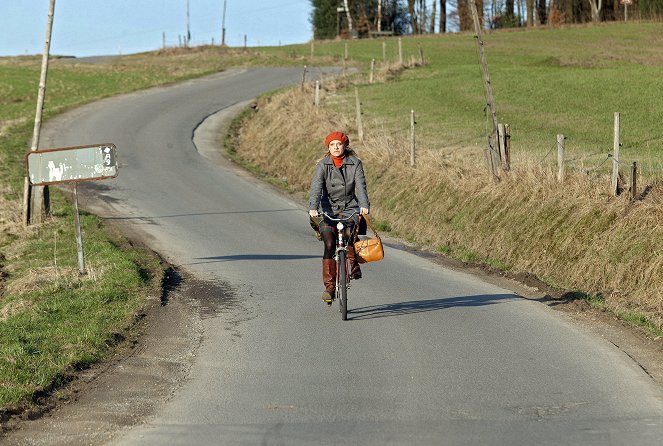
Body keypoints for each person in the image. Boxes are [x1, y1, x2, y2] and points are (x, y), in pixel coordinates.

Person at [309, 131, 370, 303]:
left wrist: (364, 206)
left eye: (339, 144)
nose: (336, 147)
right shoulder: (323, 165)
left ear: (345, 146)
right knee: (329, 243)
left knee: (350, 235)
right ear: (328, 148)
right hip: (328, 210)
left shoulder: (355, 164)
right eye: (332, 145)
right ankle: (329, 287)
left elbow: (361, 186)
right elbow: (316, 188)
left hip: (350, 207)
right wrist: (313, 207)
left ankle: (354, 264)